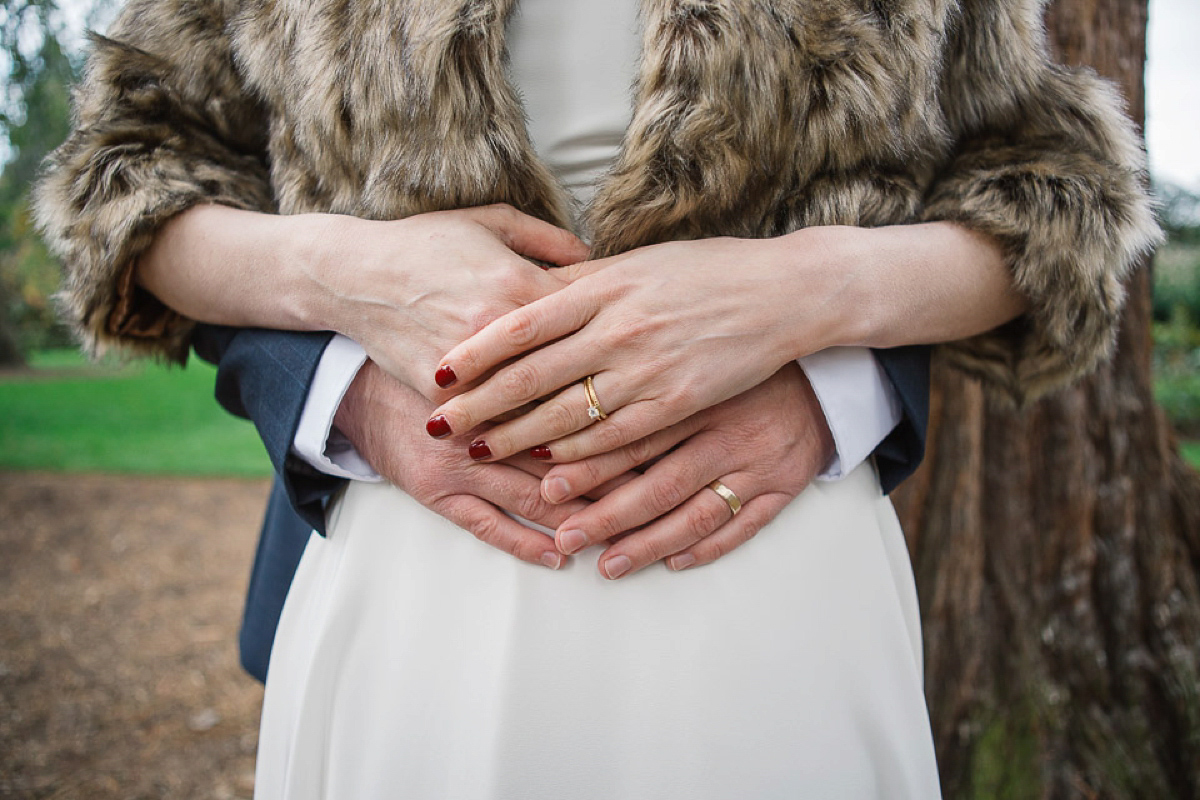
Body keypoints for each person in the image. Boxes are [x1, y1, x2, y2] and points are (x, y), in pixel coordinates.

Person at [33, 0, 1159, 797]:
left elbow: (1057, 201)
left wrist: (808, 299)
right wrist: (346, 283)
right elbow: (128, 183)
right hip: (409, 578)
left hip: (774, 588)